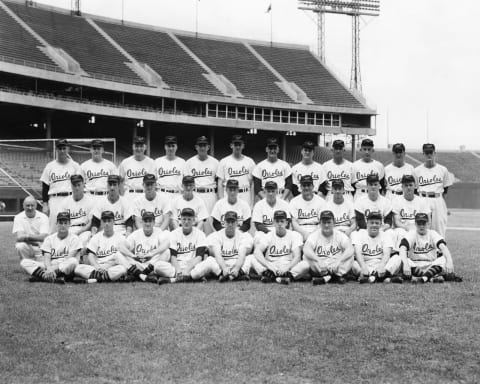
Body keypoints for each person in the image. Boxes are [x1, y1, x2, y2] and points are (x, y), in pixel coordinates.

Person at [390, 213, 461, 283]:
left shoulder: (433, 233)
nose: (421, 226)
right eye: (419, 223)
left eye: (423, 223)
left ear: (428, 224)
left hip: (430, 265)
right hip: (415, 265)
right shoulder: (411, 234)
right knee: (403, 259)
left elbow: (443, 247)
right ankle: (430, 278)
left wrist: (450, 261)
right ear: (415, 224)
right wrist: (405, 264)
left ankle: (422, 278)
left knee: (443, 259)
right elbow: (402, 248)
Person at [190, 211, 254, 282]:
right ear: (224, 223)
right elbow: (218, 255)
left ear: (237, 223)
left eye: (232, 222)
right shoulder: (216, 236)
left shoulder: (243, 236)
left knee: (250, 258)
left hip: (236, 262)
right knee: (195, 273)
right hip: (220, 263)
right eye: (228, 222)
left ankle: (234, 274)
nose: (230, 224)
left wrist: (236, 268)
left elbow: (241, 256)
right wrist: (224, 268)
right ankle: (226, 275)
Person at [20, 212, 80, 284]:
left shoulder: (74, 238)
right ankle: (53, 277)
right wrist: (49, 268)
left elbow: (69, 258)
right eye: (60, 223)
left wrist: (52, 269)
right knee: (24, 262)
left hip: (65, 266)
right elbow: (47, 257)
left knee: (73, 261)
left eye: (65, 223)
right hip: (50, 265)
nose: (63, 225)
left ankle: (41, 277)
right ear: (56, 224)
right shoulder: (49, 239)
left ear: (69, 224)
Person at [251, 210, 307, 284]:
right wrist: (268, 266)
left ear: (286, 223)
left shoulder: (294, 235)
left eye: (282, 221)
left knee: (306, 264)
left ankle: (274, 277)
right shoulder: (269, 235)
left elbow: (297, 256)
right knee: (251, 258)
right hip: (271, 265)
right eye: (277, 221)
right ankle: (281, 277)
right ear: (274, 222)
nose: (279, 224)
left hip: (288, 266)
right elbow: (257, 251)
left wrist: (287, 268)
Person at [300, 210, 355, 285]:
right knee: (306, 257)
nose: (326, 225)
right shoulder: (314, 235)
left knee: (350, 256)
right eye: (324, 222)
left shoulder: (340, 235)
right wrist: (319, 260)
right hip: (321, 266)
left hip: (336, 266)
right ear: (320, 223)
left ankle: (328, 278)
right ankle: (335, 278)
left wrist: (339, 261)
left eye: (329, 222)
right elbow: (306, 249)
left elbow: (350, 249)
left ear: (334, 223)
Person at [73, 210, 128, 283]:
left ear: (113, 222)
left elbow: (124, 258)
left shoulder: (121, 237)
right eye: (104, 221)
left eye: (109, 221)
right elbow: (90, 255)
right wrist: (97, 267)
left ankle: (93, 280)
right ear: (101, 222)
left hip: (113, 267)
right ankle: (109, 278)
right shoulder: (96, 237)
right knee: (78, 268)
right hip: (98, 267)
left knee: (122, 269)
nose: (107, 223)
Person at [118, 211, 172, 283]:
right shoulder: (136, 233)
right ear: (142, 222)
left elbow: (166, 244)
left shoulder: (159, 231)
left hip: (152, 263)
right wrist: (133, 256)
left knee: (166, 251)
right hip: (138, 263)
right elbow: (121, 246)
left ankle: (137, 275)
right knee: (118, 254)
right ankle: (141, 275)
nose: (147, 224)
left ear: (154, 222)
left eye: (150, 221)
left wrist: (152, 254)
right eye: (145, 221)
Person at [40, 139, 81, 231]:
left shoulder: (75, 166)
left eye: (64, 148)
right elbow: (45, 186)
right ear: (56, 149)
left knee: (72, 226)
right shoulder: (50, 166)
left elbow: (80, 185)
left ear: (68, 149)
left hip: (71, 198)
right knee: (53, 227)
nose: (62, 151)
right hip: (55, 199)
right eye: (60, 148)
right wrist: (45, 204)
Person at [414, 143, 452, 238]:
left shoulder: (443, 170)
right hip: (422, 198)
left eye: (430, 152)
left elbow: (445, 189)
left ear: (434, 153)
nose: (429, 155)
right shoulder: (417, 171)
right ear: (423, 154)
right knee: (422, 227)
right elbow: (415, 190)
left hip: (437, 199)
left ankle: (440, 251)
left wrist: (439, 200)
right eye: (426, 152)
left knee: (440, 227)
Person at [350, 212, 399, 283]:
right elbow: (358, 253)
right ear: (367, 223)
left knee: (397, 258)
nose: (374, 225)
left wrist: (381, 266)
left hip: (381, 264)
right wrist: (363, 267)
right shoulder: (359, 234)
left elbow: (387, 254)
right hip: (365, 264)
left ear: (380, 224)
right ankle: (385, 278)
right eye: (372, 222)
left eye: (377, 223)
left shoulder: (385, 235)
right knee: (351, 262)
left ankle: (371, 278)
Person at [58, 175, 95, 256]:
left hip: (84, 229)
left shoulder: (90, 201)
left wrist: (79, 232)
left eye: (79, 185)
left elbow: (91, 222)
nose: (77, 188)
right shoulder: (65, 201)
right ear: (71, 186)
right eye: (74, 185)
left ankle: (78, 261)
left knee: (85, 238)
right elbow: (61, 222)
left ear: (83, 185)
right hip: (69, 229)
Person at [168, 208, 209, 282]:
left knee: (209, 262)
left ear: (194, 221)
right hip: (177, 266)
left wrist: (186, 270)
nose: (186, 222)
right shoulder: (173, 234)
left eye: (189, 219)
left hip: (193, 266)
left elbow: (199, 257)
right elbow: (173, 256)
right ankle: (192, 278)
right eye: (184, 219)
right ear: (180, 220)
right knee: (158, 267)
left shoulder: (200, 234)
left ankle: (173, 279)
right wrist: (179, 271)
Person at [184, 136, 219, 219]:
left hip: (210, 195)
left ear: (208, 147)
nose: (202, 148)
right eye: (200, 145)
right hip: (195, 194)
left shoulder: (215, 162)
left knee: (209, 222)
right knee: (195, 219)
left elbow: (218, 182)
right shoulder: (189, 162)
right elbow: (186, 183)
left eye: (204, 145)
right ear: (196, 147)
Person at [216, 135, 255, 207]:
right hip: (228, 195)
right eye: (235, 144)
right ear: (231, 145)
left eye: (239, 144)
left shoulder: (250, 162)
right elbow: (220, 183)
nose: (237, 147)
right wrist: (221, 201)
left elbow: (252, 184)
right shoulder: (224, 161)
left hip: (245, 194)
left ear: (243, 146)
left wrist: (252, 204)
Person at [289, 175, 327, 241]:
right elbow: (294, 222)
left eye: (308, 185)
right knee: (295, 237)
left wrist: (313, 234)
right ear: (300, 187)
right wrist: (304, 233)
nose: (306, 187)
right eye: (304, 185)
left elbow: (323, 221)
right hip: (300, 229)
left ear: (313, 186)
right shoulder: (294, 201)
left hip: (316, 228)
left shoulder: (321, 201)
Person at [80, 139, 118, 203]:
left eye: (98, 148)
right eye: (94, 148)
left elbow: (116, 184)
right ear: (90, 150)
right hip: (89, 197)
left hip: (106, 197)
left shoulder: (111, 165)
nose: (96, 150)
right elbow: (80, 184)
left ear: (102, 150)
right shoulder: (84, 166)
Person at [12, 196, 49, 260]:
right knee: (20, 246)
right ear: (23, 206)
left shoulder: (43, 217)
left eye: (32, 205)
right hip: (28, 246)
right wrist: (36, 240)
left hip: (41, 247)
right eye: (27, 205)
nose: (30, 208)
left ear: (36, 205)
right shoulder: (18, 217)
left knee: (42, 268)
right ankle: (26, 263)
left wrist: (27, 236)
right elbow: (20, 237)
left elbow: (44, 237)